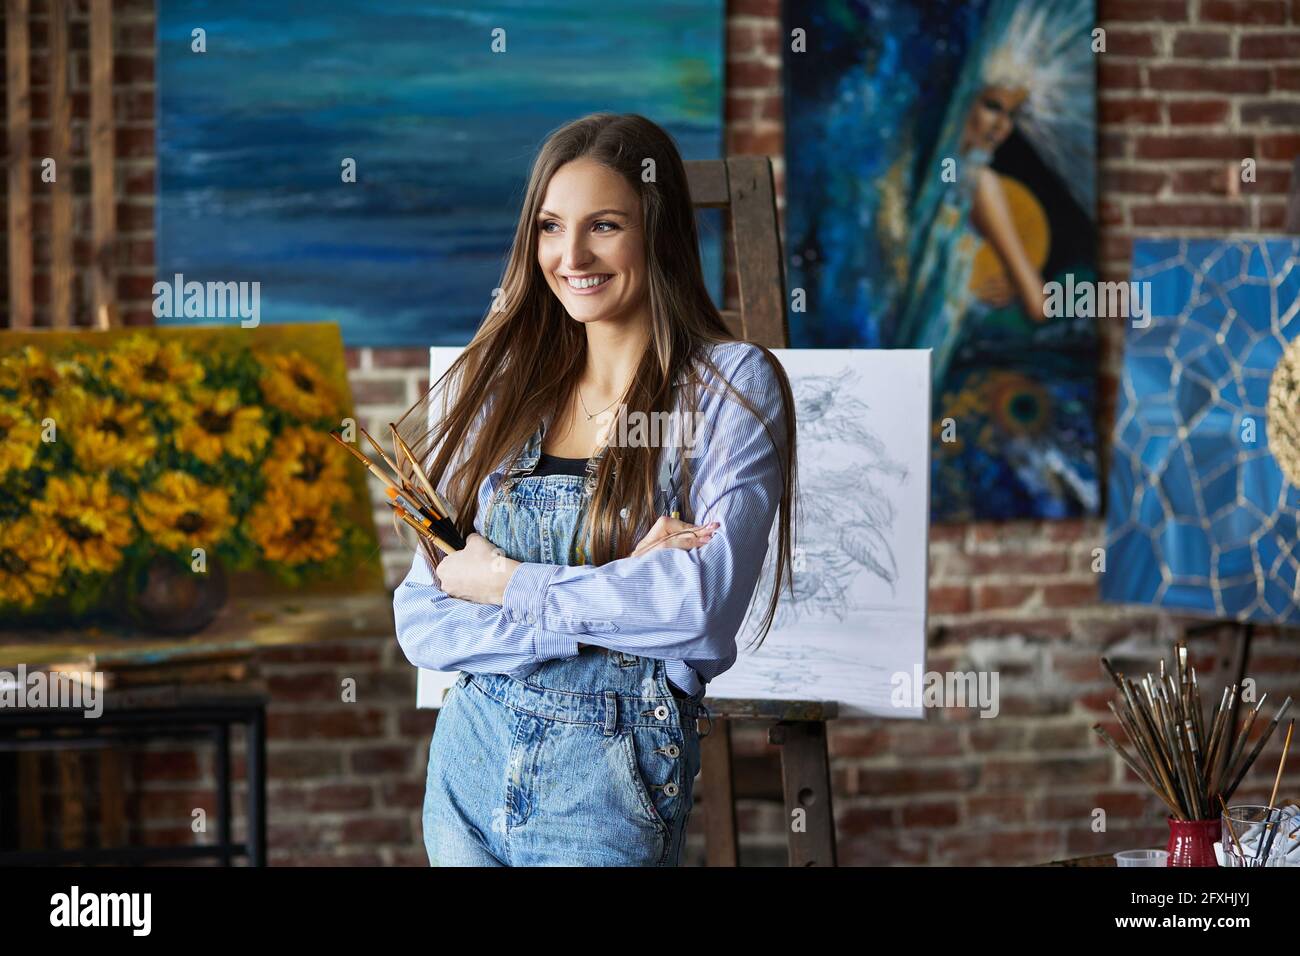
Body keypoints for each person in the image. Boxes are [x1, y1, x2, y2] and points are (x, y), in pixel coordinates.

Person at [391, 113, 798, 866]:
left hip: (607, 788)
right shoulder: (501, 393)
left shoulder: (729, 388)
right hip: (468, 767)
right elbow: (423, 619)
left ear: (657, 230)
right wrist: (611, 595)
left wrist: (503, 581)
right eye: (550, 226)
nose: (570, 255)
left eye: (604, 226)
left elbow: (698, 608)